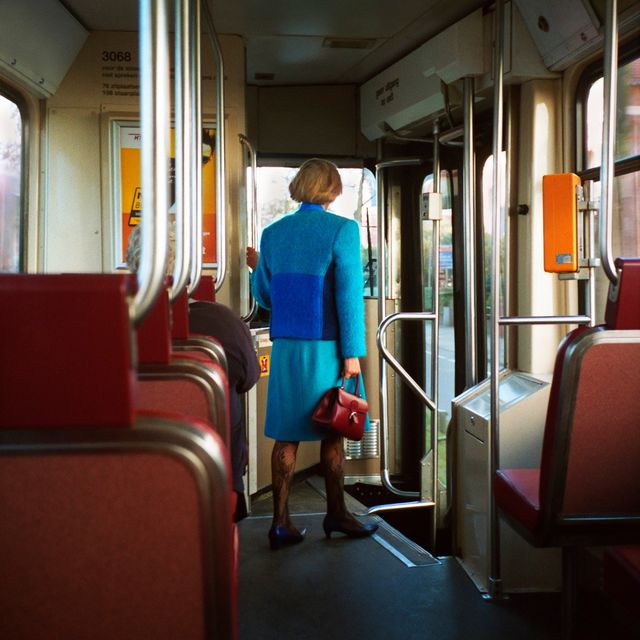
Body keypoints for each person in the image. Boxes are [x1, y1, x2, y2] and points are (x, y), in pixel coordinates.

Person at [247, 158, 378, 550]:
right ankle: (337, 514)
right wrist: (353, 353)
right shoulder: (342, 230)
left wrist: (256, 270)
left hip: (287, 348)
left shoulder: (272, 234)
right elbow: (349, 296)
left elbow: (265, 296)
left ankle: (280, 522)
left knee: (286, 436)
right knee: (333, 431)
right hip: (327, 348)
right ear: (332, 190)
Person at [127, 224, 260, 521]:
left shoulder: (107, 321)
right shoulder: (222, 322)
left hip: (128, 477)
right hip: (212, 475)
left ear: (132, 264)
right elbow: (248, 379)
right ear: (187, 270)